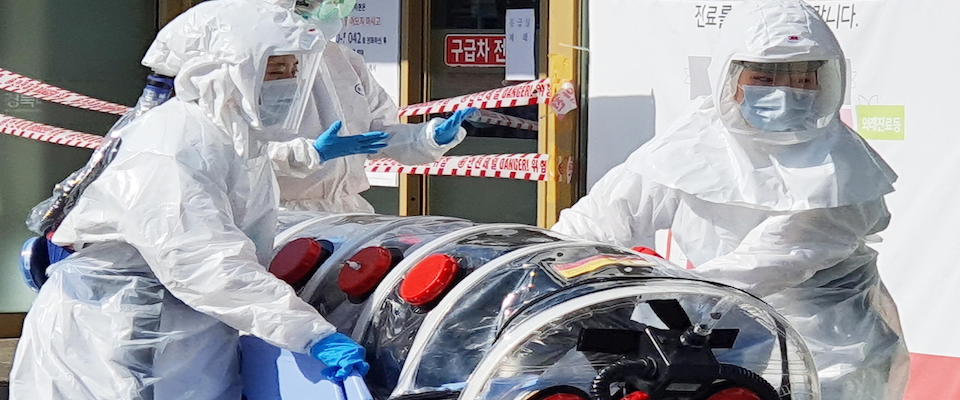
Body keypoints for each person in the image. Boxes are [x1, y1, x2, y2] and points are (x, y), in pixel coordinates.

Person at [11, 1, 370, 399]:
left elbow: (237, 171)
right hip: (124, 335)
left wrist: (310, 154)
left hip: (180, 331)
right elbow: (204, 262)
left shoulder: (227, 133)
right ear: (224, 70)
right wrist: (311, 334)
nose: (286, 83)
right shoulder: (171, 146)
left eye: (293, 70)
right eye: (275, 69)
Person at [551, 1, 908, 399]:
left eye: (802, 79)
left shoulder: (842, 169)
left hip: (826, 352)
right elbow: (603, 216)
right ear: (730, 76)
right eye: (765, 76)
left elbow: (766, 263)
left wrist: (655, 304)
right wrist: (547, 270)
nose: (784, 91)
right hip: (710, 337)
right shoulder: (694, 142)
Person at [265, 0, 477, 212]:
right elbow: (242, 149)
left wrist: (427, 137)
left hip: (348, 208)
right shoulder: (260, 63)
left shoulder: (344, 59)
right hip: (282, 214)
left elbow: (379, 134)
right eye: (316, 3)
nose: (333, 8)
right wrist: (311, 153)